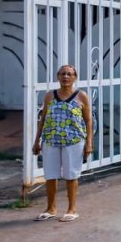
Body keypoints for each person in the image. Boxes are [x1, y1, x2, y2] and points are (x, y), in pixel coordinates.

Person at [31, 64, 93, 222]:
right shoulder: (49, 96)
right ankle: (50, 208)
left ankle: (71, 209)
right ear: (58, 76)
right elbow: (43, 119)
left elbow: (88, 121)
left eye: (69, 74)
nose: (66, 77)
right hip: (51, 140)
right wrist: (37, 140)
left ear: (75, 77)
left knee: (71, 175)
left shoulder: (81, 96)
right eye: (62, 74)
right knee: (50, 175)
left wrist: (89, 143)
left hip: (73, 141)